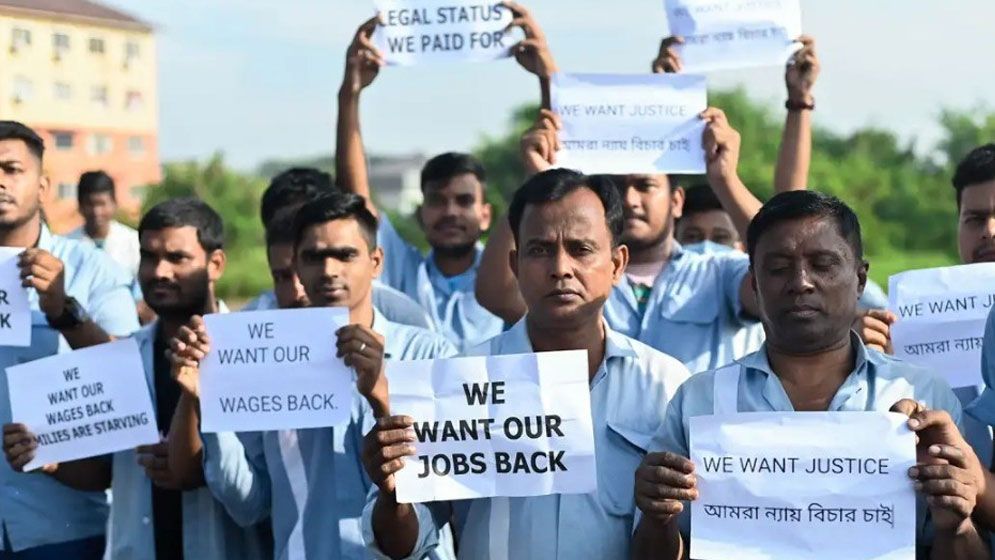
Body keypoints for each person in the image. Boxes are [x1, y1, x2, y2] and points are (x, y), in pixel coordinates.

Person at [630, 191, 986, 559]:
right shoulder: (700, 400)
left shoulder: (923, 396)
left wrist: (955, 524)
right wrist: (658, 518)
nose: (801, 282)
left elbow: (964, 543)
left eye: (822, 264)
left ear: (860, 279)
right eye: (779, 268)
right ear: (754, 283)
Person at [361, 169, 691, 559]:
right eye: (540, 249)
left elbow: (684, 545)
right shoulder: (457, 381)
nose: (561, 268)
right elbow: (402, 545)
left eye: (581, 249)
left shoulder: (665, 386)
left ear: (618, 264)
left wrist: (659, 515)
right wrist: (391, 490)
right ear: (515, 264)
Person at [164, 192, 458, 559]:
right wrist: (202, 397)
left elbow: (443, 506)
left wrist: (382, 397)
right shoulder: (264, 363)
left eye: (345, 255)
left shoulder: (429, 355)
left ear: (376, 262)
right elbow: (248, 504)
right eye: (314, 257)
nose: (329, 269)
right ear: (298, 269)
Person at [4, 197, 271, 559]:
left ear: (216, 264)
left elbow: (253, 500)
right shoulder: (125, 358)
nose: (159, 271)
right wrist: (50, 458)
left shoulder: (256, 358)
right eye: (148, 256)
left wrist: (195, 457)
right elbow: (105, 474)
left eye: (178, 258)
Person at [335, 5, 555, 350]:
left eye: (464, 201)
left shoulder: (511, 273)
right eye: (437, 200)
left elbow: (549, 179)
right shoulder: (401, 271)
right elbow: (356, 200)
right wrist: (350, 95)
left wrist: (548, 78)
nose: (450, 211)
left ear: (487, 215)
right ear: (422, 213)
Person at [0, 121, 138, 557]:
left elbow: (130, 376)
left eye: (11, 169)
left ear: (42, 187)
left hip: (61, 526)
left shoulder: (91, 271)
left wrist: (64, 310)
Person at [245, 167, 432, 329]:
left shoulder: (404, 319)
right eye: (283, 276)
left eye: (342, 255)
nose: (296, 290)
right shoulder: (250, 323)